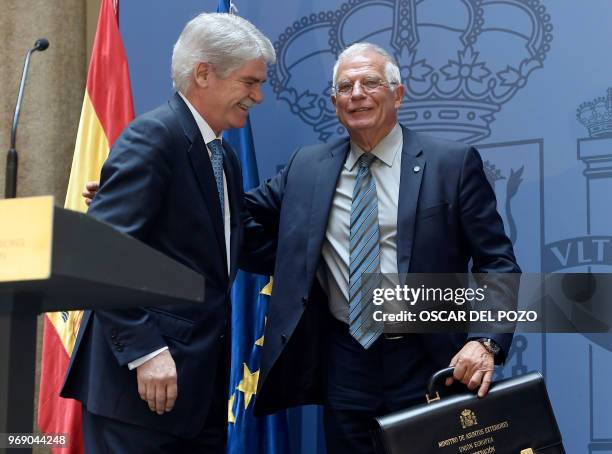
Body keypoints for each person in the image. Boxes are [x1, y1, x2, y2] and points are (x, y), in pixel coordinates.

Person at [243, 43, 521, 454]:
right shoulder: (307, 166)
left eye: (370, 82)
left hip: (429, 359)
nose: (357, 93)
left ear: (398, 94)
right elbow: (240, 220)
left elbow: (498, 263)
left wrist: (486, 342)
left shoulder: (452, 164)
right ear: (335, 102)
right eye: (345, 86)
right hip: (344, 361)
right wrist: (292, 263)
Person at [61, 13, 275, 453]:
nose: (257, 96)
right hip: (140, 390)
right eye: (249, 82)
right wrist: (146, 352)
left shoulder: (222, 157)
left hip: (195, 391)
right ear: (204, 73)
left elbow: (232, 246)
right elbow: (99, 254)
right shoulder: (154, 137)